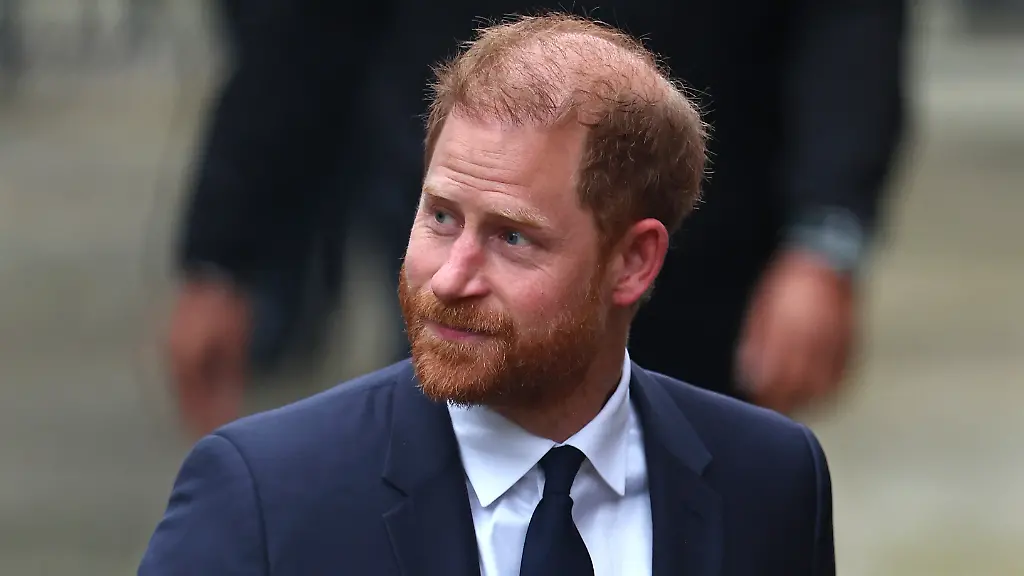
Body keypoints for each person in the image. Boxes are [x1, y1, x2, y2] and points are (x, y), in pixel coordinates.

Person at [141, 15, 834, 575]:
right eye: (441, 218)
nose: (451, 278)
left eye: (513, 238)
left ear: (633, 262)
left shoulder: (771, 482)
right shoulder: (264, 495)